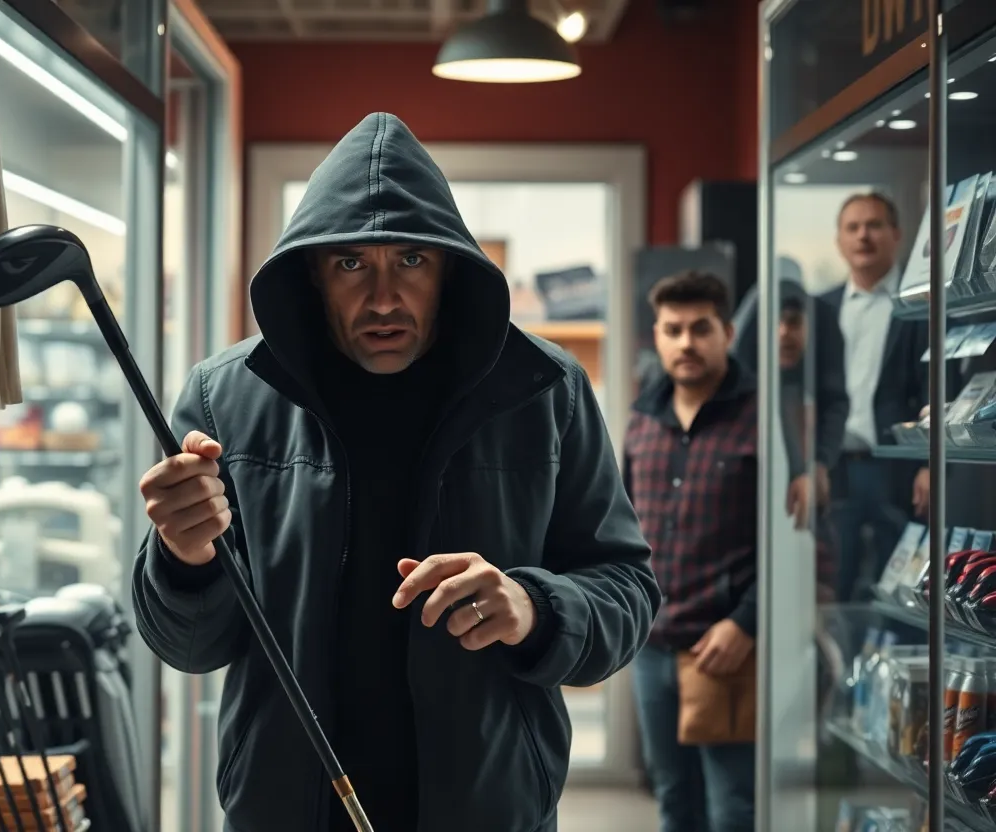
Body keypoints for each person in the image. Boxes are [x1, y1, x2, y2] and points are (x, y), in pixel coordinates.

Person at [132, 112, 660, 832]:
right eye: (351, 263)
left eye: (411, 260)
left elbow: (626, 590)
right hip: (286, 809)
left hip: (486, 808)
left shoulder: (543, 390)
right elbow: (187, 647)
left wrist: (532, 608)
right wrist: (185, 558)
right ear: (313, 274)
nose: (383, 297)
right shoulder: (225, 399)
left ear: (449, 269)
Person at [624, 271, 758, 832]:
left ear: (726, 332)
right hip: (651, 644)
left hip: (726, 644)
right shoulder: (641, 419)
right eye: (673, 329)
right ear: (656, 335)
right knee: (673, 799)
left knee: (733, 809)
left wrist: (747, 623)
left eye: (700, 328)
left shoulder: (764, 417)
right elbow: (620, 529)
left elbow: (802, 543)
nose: (686, 343)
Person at [820, 192, 929, 602]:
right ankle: (840, 667)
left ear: (897, 234)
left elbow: (936, 388)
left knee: (904, 590)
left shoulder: (920, 302)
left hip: (896, 470)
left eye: (875, 225)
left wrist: (931, 463)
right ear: (840, 241)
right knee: (835, 587)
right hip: (835, 471)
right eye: (853, 227)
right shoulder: (822, 307)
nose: (863, 235)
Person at [732, 258, 848, 530]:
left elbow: (834, 402)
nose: (784, 333)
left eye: (794, 322)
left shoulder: (815, 382)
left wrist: (820, 461)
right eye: (774, 322)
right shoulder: (742, 396)